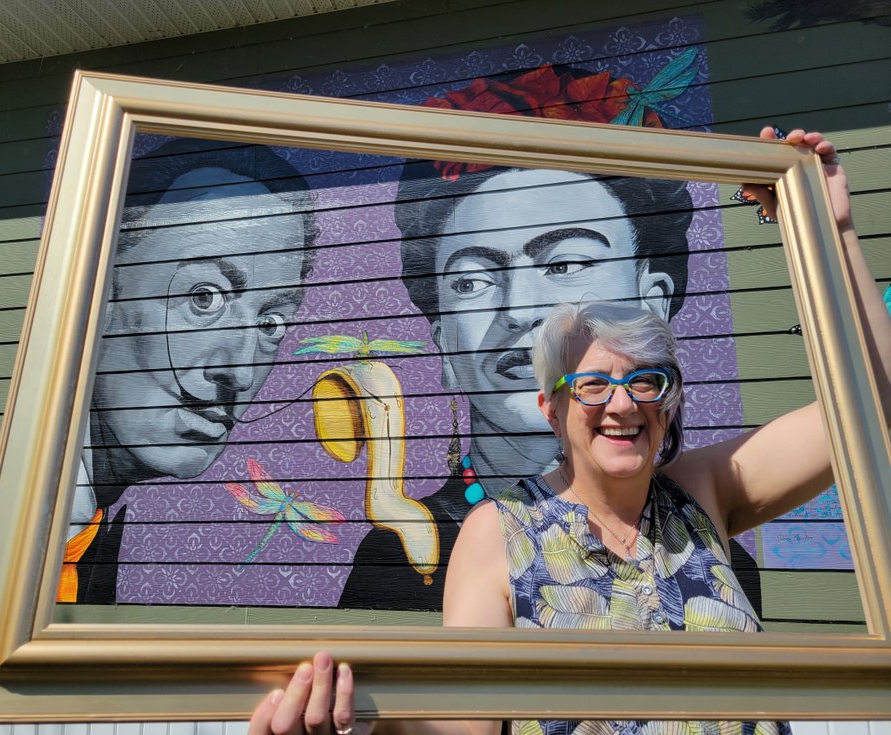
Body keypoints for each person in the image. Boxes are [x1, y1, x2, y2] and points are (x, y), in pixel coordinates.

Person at [251, 129, 891, 735]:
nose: (622, 404)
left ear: (668, 399)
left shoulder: (702, 494)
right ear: (551, 407)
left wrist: (832, 233)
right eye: (590, 386)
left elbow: (871, 407)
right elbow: (464, 723)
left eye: (646, 381)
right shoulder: (498, 534)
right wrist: (370, 721)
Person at [340, 63, 764, 610]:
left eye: (565, 264)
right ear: (442, 340)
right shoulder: (402, 560)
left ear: (652, 300)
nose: (519, 310)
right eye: (472, 279)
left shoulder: (705, 542)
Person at [60, 137, 318, 603]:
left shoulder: (89, 529)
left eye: (271, 323)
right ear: (102, 291)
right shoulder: (26, 531)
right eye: (205, 297)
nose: (238, 372)